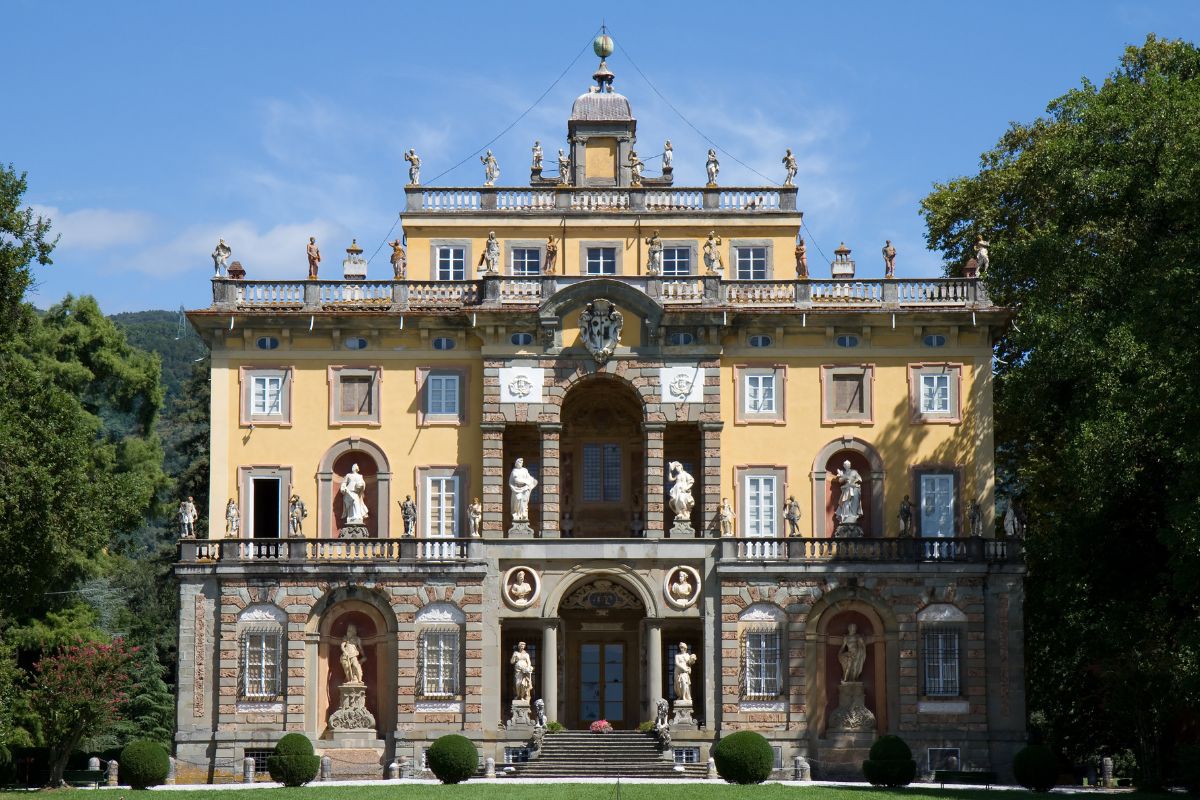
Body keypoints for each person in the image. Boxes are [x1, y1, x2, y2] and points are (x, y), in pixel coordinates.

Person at [509, 458, 538, 523]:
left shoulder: (525, 470)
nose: (520, 463)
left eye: (521, 462)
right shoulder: (514, 471)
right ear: (516, 463)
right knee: (517, 501)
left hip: (525, 488)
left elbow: (529, 477)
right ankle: (517, 514)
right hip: (516, 489)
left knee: (524, 502)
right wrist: (526, 481)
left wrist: (532, 480)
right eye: (519, 462)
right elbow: (517, 480)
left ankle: (523, 514)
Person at [835, 460, 863, 525]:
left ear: (850, 465)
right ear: (844, 466)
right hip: (846, 489)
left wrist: (854, 481)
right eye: (846, 465)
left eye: (848, 464)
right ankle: (846, 516)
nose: (847, 466)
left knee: (854, 502)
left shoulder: (854, 472)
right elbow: (840, 480)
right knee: (846, 503)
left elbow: (860, 479)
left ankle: (853, 516)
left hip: (854, 488)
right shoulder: (842, 472)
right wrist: (844, 477)